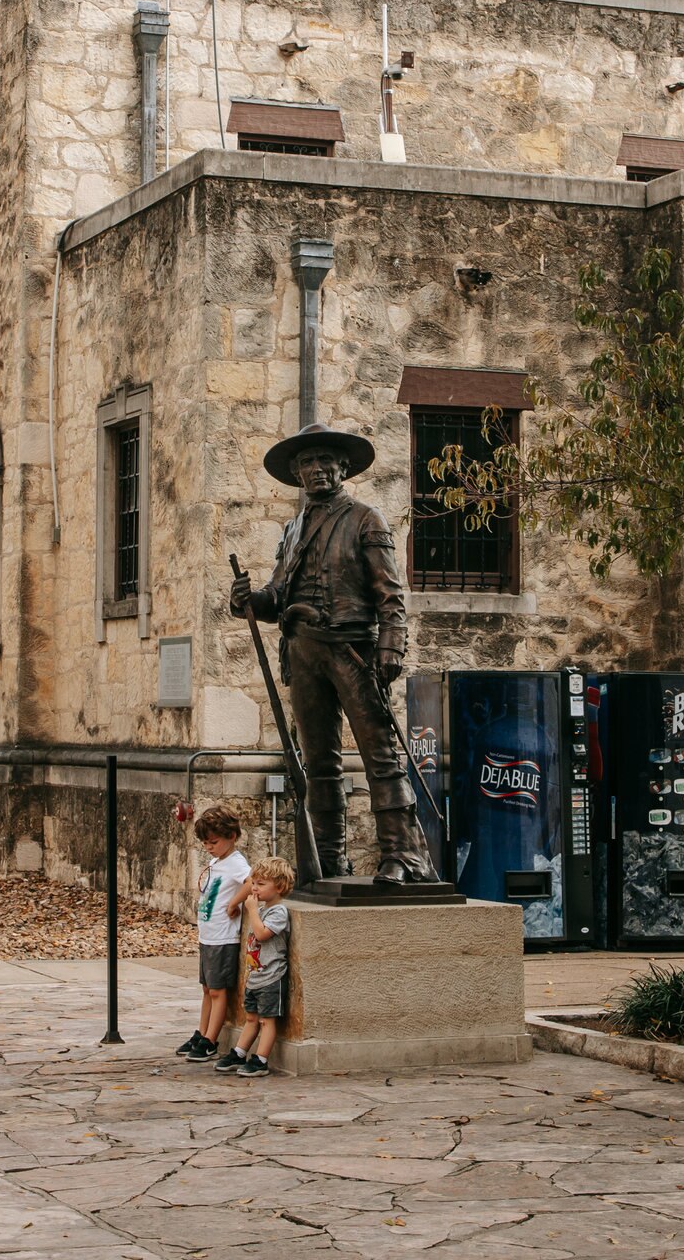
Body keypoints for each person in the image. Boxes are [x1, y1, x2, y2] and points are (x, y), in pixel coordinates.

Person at [228, 422, 439, 884]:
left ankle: (403, 857)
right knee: (317, 762)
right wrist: (246, 599)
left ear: (343, 467)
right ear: (297, 473)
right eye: (307, 462)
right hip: (302, 652)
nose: (317, 469)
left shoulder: (366, 518)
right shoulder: (292, 529)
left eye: (326, 460)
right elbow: (277, 597)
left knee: (380, 755)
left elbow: (391, 595)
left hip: (352, 650)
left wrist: (390, 646)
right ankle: (328, 859)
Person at [175, 807, 250, 1061]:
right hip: (208, 935)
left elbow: (251, 882)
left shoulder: (237, 862)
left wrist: (234, 903)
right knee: (207, 989)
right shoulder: (216, 861)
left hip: (223, 937)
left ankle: (211, 1040)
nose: (209, 847)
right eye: (205, 843)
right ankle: (202, 1032)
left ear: (231, 836)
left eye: (214, 842)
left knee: (218, 991)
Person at [217, 857, 294, 1078]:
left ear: (278, 887)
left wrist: (251, 910)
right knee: (250, 1018)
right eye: (254, 883)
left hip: (271, 977)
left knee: (266, 1020)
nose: (254, 888)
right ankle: (240, 1052)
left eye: (261, 884)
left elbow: (261, 934)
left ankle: (260, 1060)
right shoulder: (261, 910)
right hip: (255, 976)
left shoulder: (278, 912)